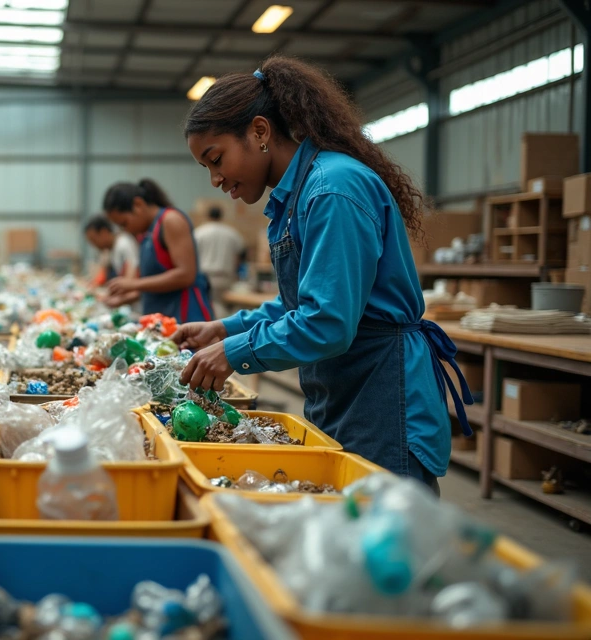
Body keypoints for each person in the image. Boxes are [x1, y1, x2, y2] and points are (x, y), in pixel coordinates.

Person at [174, 55, 472, 491]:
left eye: (216, 159)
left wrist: (233, 352)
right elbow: (300, 303)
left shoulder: (333, 189)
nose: (216, 179)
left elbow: (327, 322)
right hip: (343, 390)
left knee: (388, 541)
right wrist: (224, 328)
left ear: (259, 132)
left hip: (381, 394)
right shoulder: (295, 197)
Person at [102, 179, 214, 322]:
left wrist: (133, 284)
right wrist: (124, 299)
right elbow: (156, 284)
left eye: (124, 223)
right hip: (163, 317)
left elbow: (186, 274)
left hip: (185, 316)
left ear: (138, 205)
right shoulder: (147, 234)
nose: (125, 230)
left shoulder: (170, 221)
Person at [193, 206, 247, 316]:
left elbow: (191, 254)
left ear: (208, 216)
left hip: (205, 276)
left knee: (210, 307)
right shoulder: (231, 233)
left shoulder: (199, 232)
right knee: (223, 307)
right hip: (226, 277)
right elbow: (242, 253)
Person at [83, 215, 139, 285]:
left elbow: (132, 277)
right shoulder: (112, 248)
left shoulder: (123, 244)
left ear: (104, 232)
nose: (95, 246)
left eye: (94, 240)